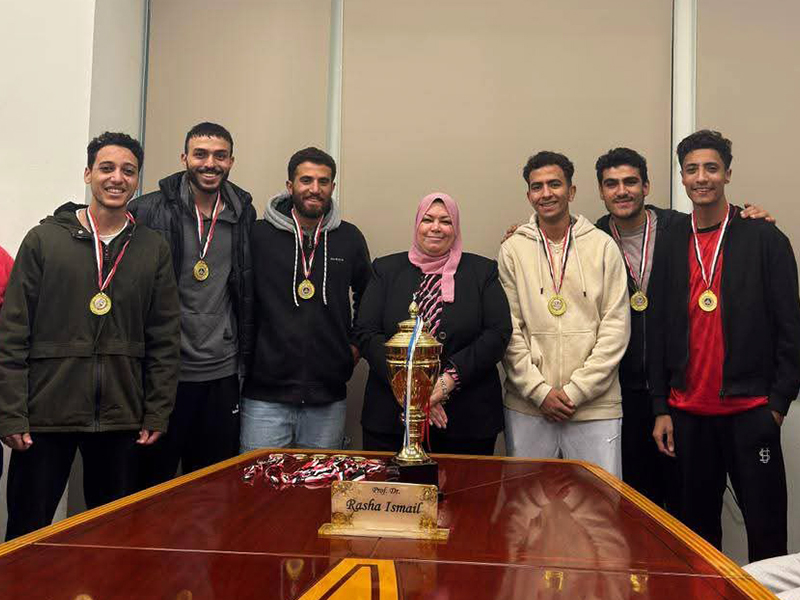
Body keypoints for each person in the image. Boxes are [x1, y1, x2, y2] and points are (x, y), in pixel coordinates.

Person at [0, 132, 180, 540]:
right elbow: (12, 333)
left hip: (121, 416)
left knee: (112, 537)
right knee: (28, 535)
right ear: (88, 174)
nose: (117, 178)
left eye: (128, 171)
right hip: (46, 415)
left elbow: (165, 338)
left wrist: (157, 410)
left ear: (137, 181)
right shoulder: (44, 240)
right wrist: (11, 411)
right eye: (107, 168)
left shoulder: (153, 249)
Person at [651, 130, 800, 562]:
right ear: (681, 178)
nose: (702, 178)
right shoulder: (673, 238)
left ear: (728, 174)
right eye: (692, 169)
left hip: (751, 412)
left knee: (767, 532)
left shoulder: (764, 238)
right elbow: (659, 326)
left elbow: (791, 327)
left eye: (711, 168)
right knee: (694, 536)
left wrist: (777, 404)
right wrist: (662, 406)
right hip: (688, 414)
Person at [129, 122, 255, 486]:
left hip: (221, 373)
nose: (209, 163)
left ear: (231, 161)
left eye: (219, 156)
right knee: (151, 488)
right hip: (163, 376)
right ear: (184, 157)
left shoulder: (243, 213)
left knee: (211, 491)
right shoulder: (147, 211)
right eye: (200, 154)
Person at [499, 151, 630, 477]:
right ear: (529, 195)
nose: (546, 193)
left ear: (571, 191)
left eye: (554, 184)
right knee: (527, 510)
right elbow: (509, 330)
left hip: (594, 407)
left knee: (597, 513)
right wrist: (539, 392)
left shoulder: (603, 246)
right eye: (537, 187)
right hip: (529, 406)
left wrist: (576, 392)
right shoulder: (512, 250)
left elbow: (615, 327)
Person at [355, 193, 511, 455]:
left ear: (456, 228)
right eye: (428, 219)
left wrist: (446, 382)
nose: (436, 228)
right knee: (394, 495)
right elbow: (366, 333)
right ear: (417, 223)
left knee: (465, 496)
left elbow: (497, 334)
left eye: (445, 221)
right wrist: (413, 391)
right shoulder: (385, 269)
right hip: (392, 419)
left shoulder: (483, 272)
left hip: (467, 421)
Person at [241, 147, 371, 451]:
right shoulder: (257, 235)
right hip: (264, 395)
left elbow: (369, 295)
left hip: (327, 396)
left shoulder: (349, 238)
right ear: (290, 186)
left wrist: (354, 346)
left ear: (333, 188)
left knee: (318, 492)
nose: (315, 189)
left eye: (323, 182)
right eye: (306, 180)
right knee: (259, 491)